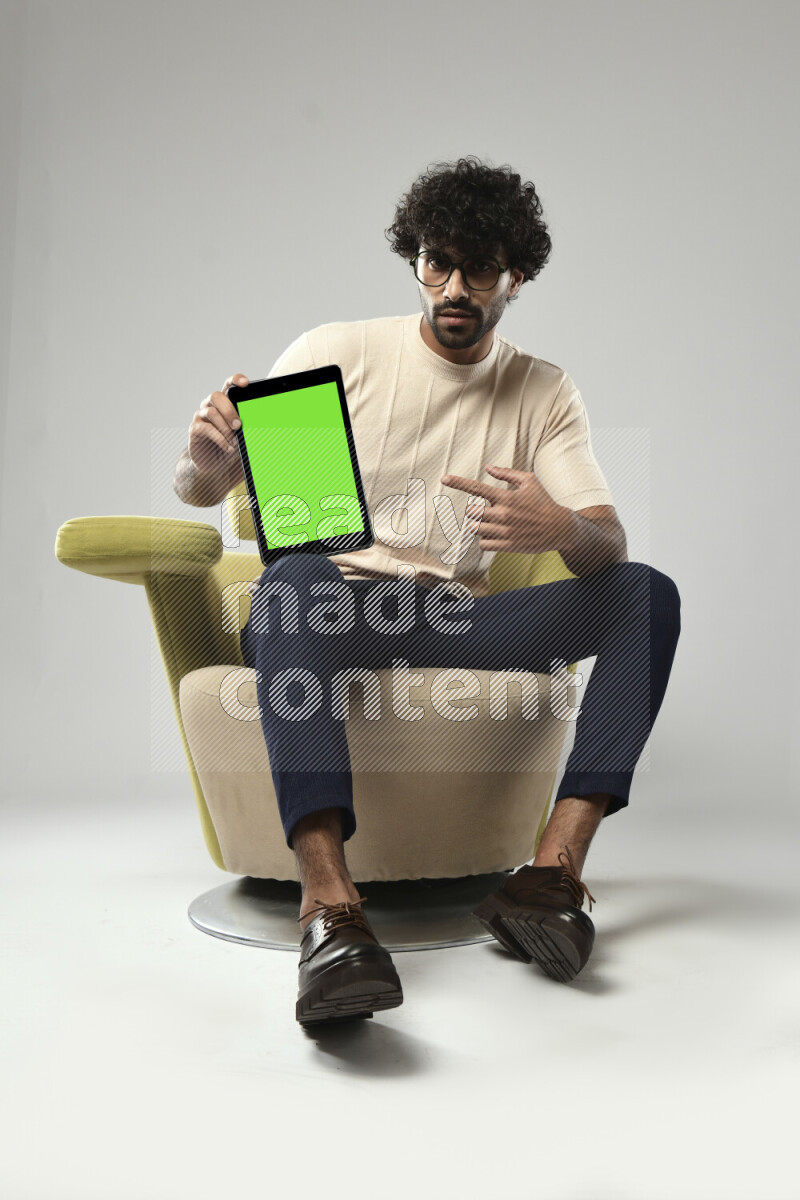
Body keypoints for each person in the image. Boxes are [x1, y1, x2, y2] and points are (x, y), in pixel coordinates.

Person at [173, 156, 681, 1024]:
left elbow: (608, 544)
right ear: (415, 258)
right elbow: (201, 490)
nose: (453, 287)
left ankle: (551, 874)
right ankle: (330, 911)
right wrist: (208, 468)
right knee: (296, 573)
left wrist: (560, 528)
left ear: (515, 275)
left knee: (646, 592)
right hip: (326, 605)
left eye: (478, 268)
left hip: (450, 617)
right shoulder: (334, 350)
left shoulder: (543, 390)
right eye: (435, 263)